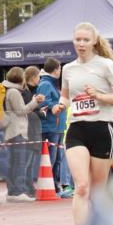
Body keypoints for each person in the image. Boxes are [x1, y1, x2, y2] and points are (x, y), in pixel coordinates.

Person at [52, 22, 113, 225]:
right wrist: (60, 105)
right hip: (76, 129)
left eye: (85, 40)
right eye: (77, 39)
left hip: (101, 128)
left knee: (97, 192)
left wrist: (98, 95)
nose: (81, 44)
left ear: (94, 41)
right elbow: (66, 96)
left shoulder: (106, 65)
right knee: (81, 187)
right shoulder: (68, 68)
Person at [1, 66, 45, 202]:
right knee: (19, 163)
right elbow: (21, 111)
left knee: (15, 162)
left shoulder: (11, 91)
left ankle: (13, 191)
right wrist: (34, 102)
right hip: (17, 130)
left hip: (15, 130)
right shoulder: (14, 92)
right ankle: (18, 191)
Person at [36, 57, 69, 193]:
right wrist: (55, 105)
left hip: (57, 127)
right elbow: (42, 103)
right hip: (50, 127)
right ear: (56, 69)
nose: (60, 70)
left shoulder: (51, 83)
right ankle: (52, 186)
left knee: (57, 158)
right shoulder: (45, 84)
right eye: (60, 68)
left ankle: (56, 185)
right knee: (52, 158)